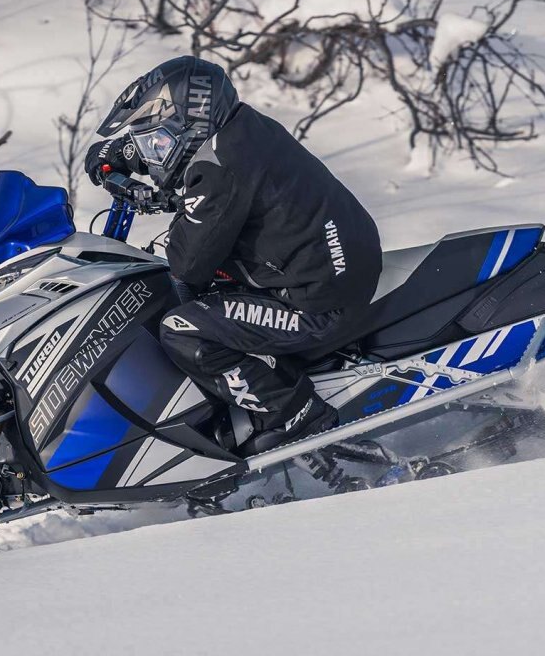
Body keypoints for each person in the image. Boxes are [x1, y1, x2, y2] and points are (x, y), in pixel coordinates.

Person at [84, 56, 382, 455]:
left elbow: (187, 264)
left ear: (190, 124)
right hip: (329, 270)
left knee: (181, 327)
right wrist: (124, 152)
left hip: (317, 304)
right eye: (147, 145)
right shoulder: (239, 131)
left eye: (157, 143)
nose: (152, 156)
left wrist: (162, 199)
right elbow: (183, 165)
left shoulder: (219, 171)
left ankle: (294, 413)